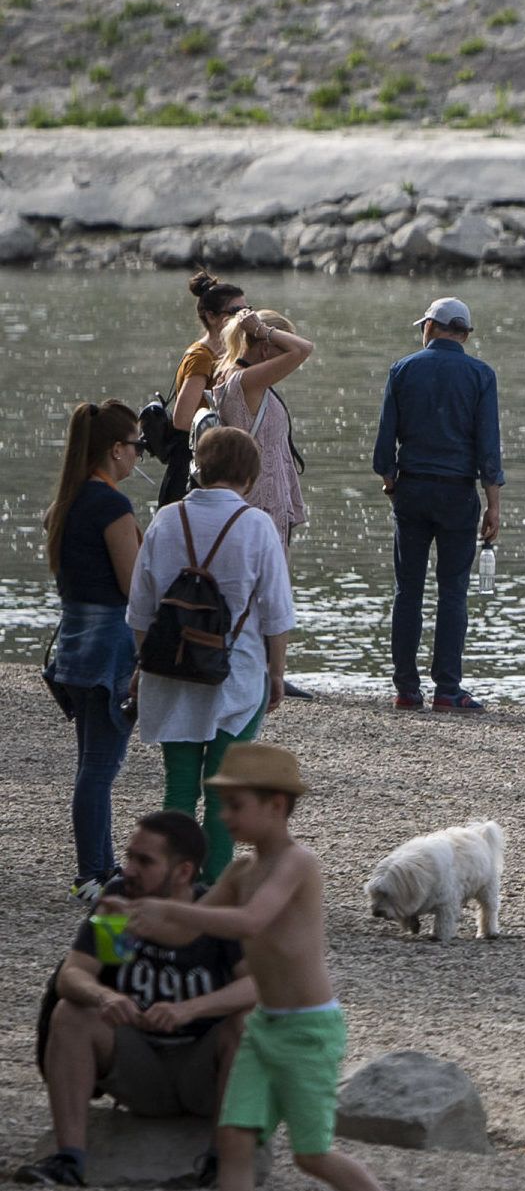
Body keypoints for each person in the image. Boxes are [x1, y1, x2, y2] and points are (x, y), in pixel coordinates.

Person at [119, 744, 439, 1191]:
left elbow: (249, 920)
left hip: (309, 1030)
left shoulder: (297, 863)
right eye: (222, 805)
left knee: (313, 1154)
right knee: (235, 1138)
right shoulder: (242, 869)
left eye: (235, 805)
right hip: (266, 1025)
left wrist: (171, 909)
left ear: (276, 806)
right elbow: (191, 934)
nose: (224, 817)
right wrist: (132, 921)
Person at [15, 812, 256, 1188]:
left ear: (183, 872)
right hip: (137, 1065)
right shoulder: (120, 903)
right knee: (73, 1013)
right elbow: (74, 973)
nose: (128, 869)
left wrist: (189, 1009)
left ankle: (221, 1163)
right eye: (129, 857)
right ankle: (69, 1160)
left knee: (249, 1023)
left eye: (144, 861)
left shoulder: (214, 914)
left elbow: (258, 986)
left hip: (203, 1074)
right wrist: (104, 995)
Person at [128, 427, 293, 883]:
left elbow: (140, 609)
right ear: (250, 475)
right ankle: (213, 888)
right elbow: (277, 613)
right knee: (223, 794)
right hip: (235, 675)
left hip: (170, 673)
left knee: (179, 786)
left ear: (199, 467)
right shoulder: (256, 525)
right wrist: (275, 674)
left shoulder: (166, 520)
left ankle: (167, 883)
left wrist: (147, 664)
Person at [370, 295, 502, 714]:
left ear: (431, 327)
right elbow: (488, 447)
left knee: (407, 590)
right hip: (458, 494)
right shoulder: (481, 375)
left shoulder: (403, 369)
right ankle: (447, 689)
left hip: (411, 490)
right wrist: (492, 505)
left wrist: (391, 480)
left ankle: (407, 690)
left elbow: (383, 442)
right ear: (463, 333)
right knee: (453, 592)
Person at [43, 399, 144, 891]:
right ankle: (91, 873)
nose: (139, 457)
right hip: (109, 652)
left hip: (73, 646)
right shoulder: (112, 506)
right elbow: (132, 586)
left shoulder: (65, 503)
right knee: (100, 769)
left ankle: (103, 866)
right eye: (137, 447)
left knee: (91, 764)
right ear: (115, 450)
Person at [203, 305, 315, 699]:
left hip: (270, 496)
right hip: (260, 500)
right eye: (272, 342)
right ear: (266, 346)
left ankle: (265, 666)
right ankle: (270, 673)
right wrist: (265, 330)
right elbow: (303, 350)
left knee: (265, 585)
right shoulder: (244, 381)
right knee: (268, 588)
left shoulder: (242, 379)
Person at [159, 274, 248, 506]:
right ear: (211, 316)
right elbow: (182, 419)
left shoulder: (232, 353)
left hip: (215, 460)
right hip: (193, 462)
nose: (244, 317)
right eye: (235, 311)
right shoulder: (202, 357)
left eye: (247, 310)